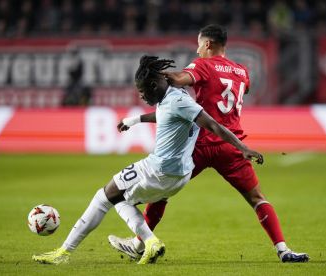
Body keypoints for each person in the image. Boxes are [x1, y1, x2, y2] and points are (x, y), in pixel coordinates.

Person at [32, 55, 263, 265]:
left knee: (102, 197)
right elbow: (165, 114)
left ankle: (64, 252)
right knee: (121, 201)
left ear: (153, 85)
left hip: (157, 170)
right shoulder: (174, 97)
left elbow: (213, 125)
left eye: (142, 92)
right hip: (178, 175)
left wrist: (242, 148)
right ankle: (149, 242)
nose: (141, 96)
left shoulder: (178, 101)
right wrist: (135, 120)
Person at [108, 24, 309, 263]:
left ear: (208, 44)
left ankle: (140, 244)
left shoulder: (202, 65)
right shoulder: (242, 71)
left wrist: (158, 75)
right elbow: (243, 89)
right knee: (257, 198)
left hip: (199, 146)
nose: (197, 49)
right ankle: (284, 250)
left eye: (199, 44)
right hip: (231, 145)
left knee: (162, 191)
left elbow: (181, 79)